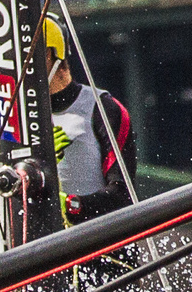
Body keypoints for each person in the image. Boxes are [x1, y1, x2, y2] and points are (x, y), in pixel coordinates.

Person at [42, 16, 137, 225]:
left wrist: (71, 205)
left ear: (49, 54)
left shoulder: (103, 108)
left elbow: (124, 195)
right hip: (45, 249)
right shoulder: (17, 118)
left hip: (100, 249)